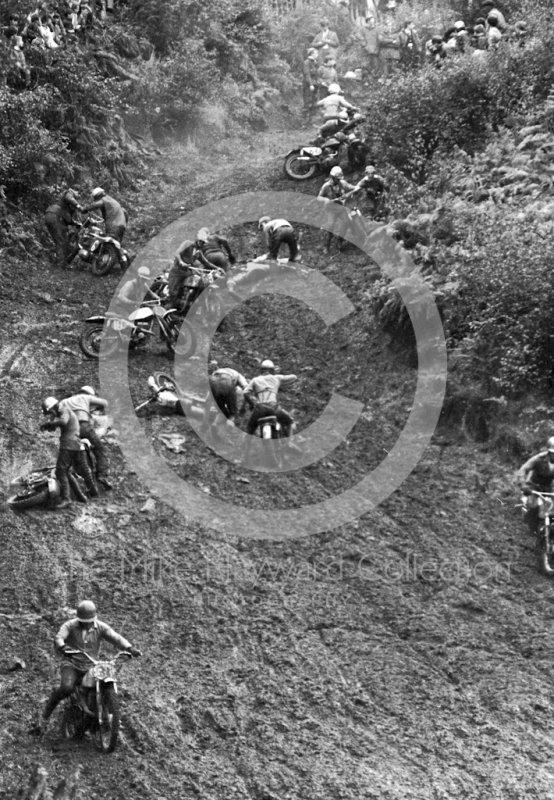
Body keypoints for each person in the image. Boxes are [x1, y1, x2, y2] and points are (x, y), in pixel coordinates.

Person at [36, 601, 141, 733]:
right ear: (78, 618)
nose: (87, 623)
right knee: (66, 687)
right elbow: (59, 637)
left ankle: (101, 715)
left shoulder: (101, 627)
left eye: (90, 620)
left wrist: (129, 648)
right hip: (72, 663)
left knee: (102, 684)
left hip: (91, 665)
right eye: (84, 621)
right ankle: (44, 719)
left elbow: (115, 637)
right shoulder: (69, 625)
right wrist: (62, 646)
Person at [40, 396, 98, 509]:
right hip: (75, 444)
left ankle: (67, 499)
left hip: (68, 444)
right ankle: (81, 496)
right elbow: (62, 423)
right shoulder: (64, 411)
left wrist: (49, 424)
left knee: (60, 472)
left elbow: (63, 421)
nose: (51, 414)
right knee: (66, 471)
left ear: (53, 407)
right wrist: (49, 426)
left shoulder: (63, 410)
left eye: (50, 411)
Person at [242, 359, 298, 454]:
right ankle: (290, 442)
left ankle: (243, 457)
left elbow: (245, 393)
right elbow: (294, 377)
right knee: (290, 421)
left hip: (259, 409)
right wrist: (278, 378)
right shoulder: (277, 378)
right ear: (272, 370)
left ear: (261, 370)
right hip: (274, 408)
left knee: (249, 431)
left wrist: (252, 404)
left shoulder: (255, 380)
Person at [63, 386, 112, 490]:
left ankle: (75, 477)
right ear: (89, 394)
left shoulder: (65, 401)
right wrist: (101, 407)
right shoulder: (85, 397)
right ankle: (102, 476)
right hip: (83, 426)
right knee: (100, 449)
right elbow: (104, 403)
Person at [82, 187, 128, 265]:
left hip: (113, 226)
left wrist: (85, 209)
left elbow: (97, 204)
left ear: (98, 196)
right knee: (116, 245)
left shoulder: (104, 200)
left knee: (110, 244)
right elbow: (125, 212)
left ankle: (123, 263)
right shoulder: (113, 201)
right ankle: (124, 262)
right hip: (122, 226)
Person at [167, 239, 215, 312]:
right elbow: (177, 253)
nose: (201, 244)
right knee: (173, 291)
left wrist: (218, 268)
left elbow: (206, 262)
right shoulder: (187, 243)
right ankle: (169, 307)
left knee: (196, 285)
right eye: (201, 242)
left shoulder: (198, 252)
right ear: (197, 240)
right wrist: (181, 262)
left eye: (203, 243)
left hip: (187, 272)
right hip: (177, 271)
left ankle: (188, 304)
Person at [317, 165, 357, 254]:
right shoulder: (326, 186)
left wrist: (356, 188)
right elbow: (318, 197)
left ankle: (339, 240)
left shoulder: (342, 183)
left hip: (341, 208)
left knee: (347, 222)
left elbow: (352, 187)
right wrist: (325, 199)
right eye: (337, 178)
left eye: (339, 178)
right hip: (331, 209)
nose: (338, 180)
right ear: (333, 177)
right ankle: (326, 246)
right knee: (331, 226)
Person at [517, 438, 554, 530]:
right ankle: (532, 528)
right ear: (549, 452)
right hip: (533, 486)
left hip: (547, 488)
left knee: (550, 510)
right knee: (533, 507)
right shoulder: (539, 459)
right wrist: (523, 484)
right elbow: (523, 469)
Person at [202, 360, 248, 429]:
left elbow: (208, 400)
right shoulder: (239, 376)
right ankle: (227, 429)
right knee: (233, 413)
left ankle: (215, 424)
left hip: (213, 380)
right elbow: (247, 390)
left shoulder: (218, 372)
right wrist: (243, 407)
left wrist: (204, 422)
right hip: (227, 382)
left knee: (221, 409)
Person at [44, 188, 82, 270]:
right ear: (76, 191)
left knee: (60, 240)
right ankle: (61, 265)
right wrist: (78, 206)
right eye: (78, 194)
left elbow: (69, 218)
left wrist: (76, 223)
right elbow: (69, 198)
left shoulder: (67, 205)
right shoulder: (69, 192)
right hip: (56, 216)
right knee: (61, 242)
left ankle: (61, 262)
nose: (78, 196)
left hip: (50, 214)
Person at [302, 48, 319, 116]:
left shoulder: (315, 62)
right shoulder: (307, 62)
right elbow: (307, 74)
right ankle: (305, 119)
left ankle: (312, 118)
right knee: (307, 100)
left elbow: (317, 74)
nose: (317, 54)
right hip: (308, 85)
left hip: (315, 84)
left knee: (314, 100)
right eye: (316, 53)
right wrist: (311, 84)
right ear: (312, 54)